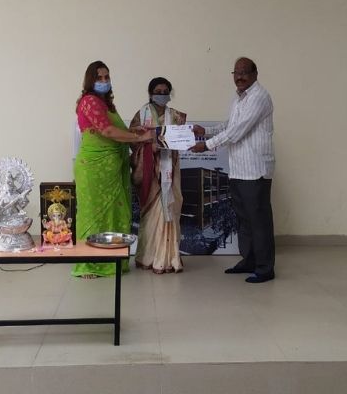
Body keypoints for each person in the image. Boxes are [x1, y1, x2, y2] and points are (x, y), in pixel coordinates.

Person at [190, 57, 276, 283]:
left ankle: (265, 268)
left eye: (244, 72)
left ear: (255, 74)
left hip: (255, 170)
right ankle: (249, 261)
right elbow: (229, 125)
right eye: (236, 73)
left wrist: (206, 145)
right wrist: (205, 131)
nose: (239, 76)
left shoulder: (259, 97)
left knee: (258, 220)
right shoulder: (239, 98)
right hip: (238, 169)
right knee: (244, 220)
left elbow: (237, 131)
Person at [73, 60, 154, 278]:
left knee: (116, 213)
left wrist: (135, 131)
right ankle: (88, 265)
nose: (104, 81)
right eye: (99, 78)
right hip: (94, 168)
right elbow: (107, 132)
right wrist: (140, 137)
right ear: (90, 80)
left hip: (113, 169)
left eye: (106, 77)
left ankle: (113, 261)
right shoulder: (89, 101)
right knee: (93, 215)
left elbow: (117, 130)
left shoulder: (106, 104)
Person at [129, 77, 187, 274]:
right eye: (158, 91)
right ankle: (149, 256)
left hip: (170, 168)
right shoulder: (141, 115)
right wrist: (149, 148)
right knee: (152, 212)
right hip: (150, 172)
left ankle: (169, 258)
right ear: (150, 93)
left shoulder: (176, 116)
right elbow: (132, 140)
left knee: (170, 207)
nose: (162, 95)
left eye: (165, 92)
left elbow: (182, 139)